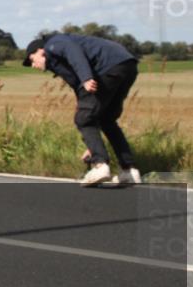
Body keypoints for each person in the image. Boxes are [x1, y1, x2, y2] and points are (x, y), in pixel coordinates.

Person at [23, 33, 141, 187]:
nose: (34, 65)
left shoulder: (53, 44)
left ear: (40, 51)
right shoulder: (59, 62)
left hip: (107, 67)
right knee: (106, 120)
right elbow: (84, 98)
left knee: (83, 119)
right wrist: (92, 145)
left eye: (32, 60)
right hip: (126, 64)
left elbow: (73, 51)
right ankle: (129, 171)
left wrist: (86, 77)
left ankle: (100, 166)